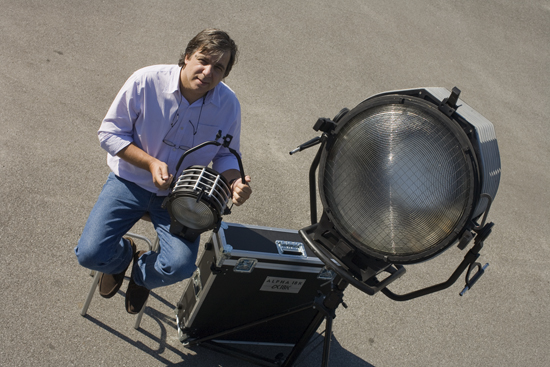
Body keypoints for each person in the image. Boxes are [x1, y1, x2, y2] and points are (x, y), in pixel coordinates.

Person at [75, 29, 252, 314]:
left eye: (218, 67)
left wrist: (234, 181)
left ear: (225, 73)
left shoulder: (228, 105)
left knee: (180, 267)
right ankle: (123, 257)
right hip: (129, 181)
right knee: (90, 254)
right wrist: (150, 163)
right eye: (203, 60)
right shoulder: (146, 81)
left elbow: (224, 154)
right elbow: (109, 134)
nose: (207, 72)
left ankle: (143, 275)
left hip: (181, 195)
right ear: (186, 56)